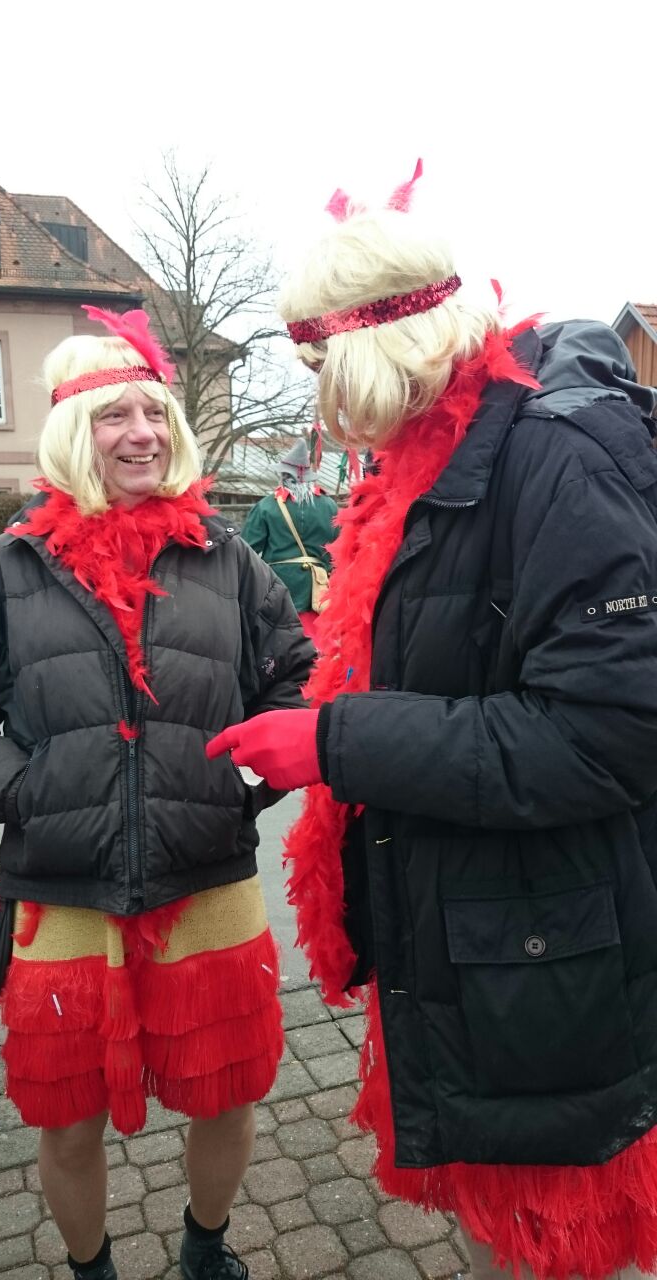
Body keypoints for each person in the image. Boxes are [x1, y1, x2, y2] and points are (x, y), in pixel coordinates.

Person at [205, 166, 657, 1280]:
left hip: (547, 943)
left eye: (323, 369)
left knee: (553, 1245)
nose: (321, 401)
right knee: (495, 1231)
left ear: (375, 350)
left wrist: (335, 743)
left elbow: (607, 737)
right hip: (474, 933)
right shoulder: (431, 453)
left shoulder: (554, 457)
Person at [0, 306, 314, 1280]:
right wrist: (25, 789)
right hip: (61, 887)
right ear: (74, 430)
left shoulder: (227, 560)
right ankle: (91, 1268)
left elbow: (295, 679)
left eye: (155, 413)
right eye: (115, 415)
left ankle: (205, 1246)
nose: (141, 433)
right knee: (68, 1118)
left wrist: (238, 777)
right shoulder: (3, 572)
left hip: (210, 874)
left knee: (228, 1092)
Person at [240, 437, 338, 643]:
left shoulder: (266, 506)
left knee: (280, 646)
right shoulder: (329, 506)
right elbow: (340, 552)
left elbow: (245, 551)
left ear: (284, 476)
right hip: (320, 593)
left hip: (278, 590)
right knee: (319, 648)